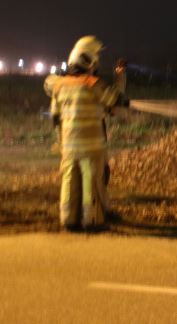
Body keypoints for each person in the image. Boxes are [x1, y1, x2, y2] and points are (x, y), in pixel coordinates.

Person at [49, 36, 125, 232]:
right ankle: (94, 221)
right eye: (96, 59)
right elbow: (114, 102)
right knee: (91, 182)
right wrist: (120, 75)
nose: (96, 64)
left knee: (69, 182)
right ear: (88, 60)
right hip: (92, 148)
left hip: (68, 148)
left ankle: (69, 220)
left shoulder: (59, 86)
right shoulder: (94, 84)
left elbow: (56, 116)